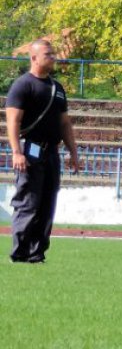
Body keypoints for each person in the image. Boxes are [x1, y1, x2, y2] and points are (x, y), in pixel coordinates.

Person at [5, 39, 81, 264]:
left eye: (53, 53)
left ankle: (36, 253)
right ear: (34, 58)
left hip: (51, 153)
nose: (53, 57)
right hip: (30, 150)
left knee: (48, 203)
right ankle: (20, 253)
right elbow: (13, 121)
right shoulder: (23, 85)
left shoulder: (58, 88)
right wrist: (16, 152)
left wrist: (73, 153)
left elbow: (65, 123)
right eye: (48, 54)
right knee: (28, 202)